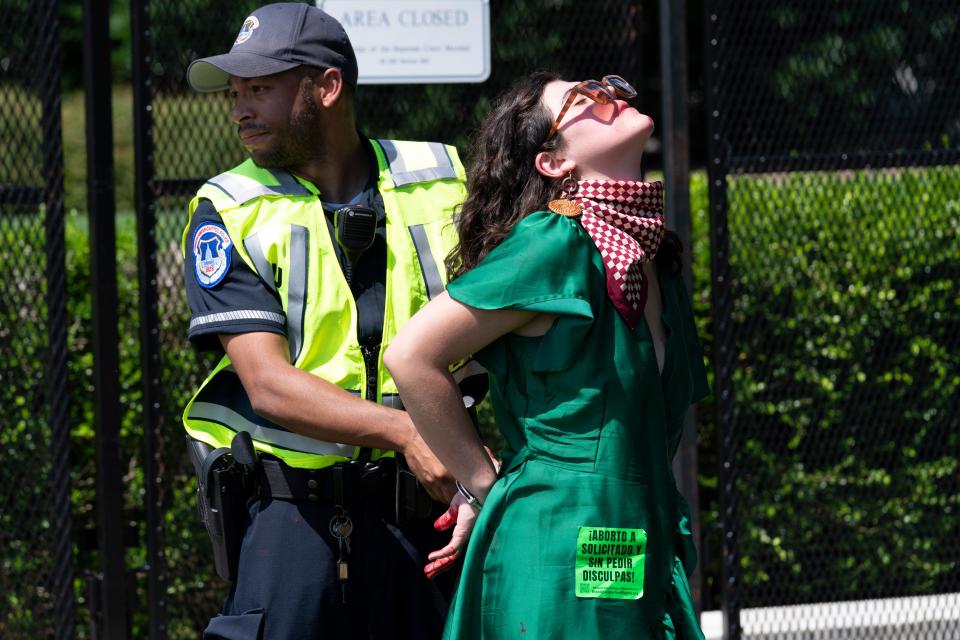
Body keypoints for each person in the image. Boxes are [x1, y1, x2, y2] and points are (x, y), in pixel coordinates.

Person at [180, 4, 483, 638]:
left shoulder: (448, 178)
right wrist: (407, 432)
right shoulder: (227, 208)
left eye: (260, 88)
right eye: (234, 93)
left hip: (431, 518)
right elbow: (268, 384)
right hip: (296, 520)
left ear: (326, 87)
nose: (239, 109)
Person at [385, 71, 710, 639]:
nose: (608, 97)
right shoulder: (555, 241)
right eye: (582, 100)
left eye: (604, 87)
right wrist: (484, 486)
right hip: (559, 544)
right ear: (552, 163)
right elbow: (411, 356)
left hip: (632, 538)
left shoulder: (654, 259)